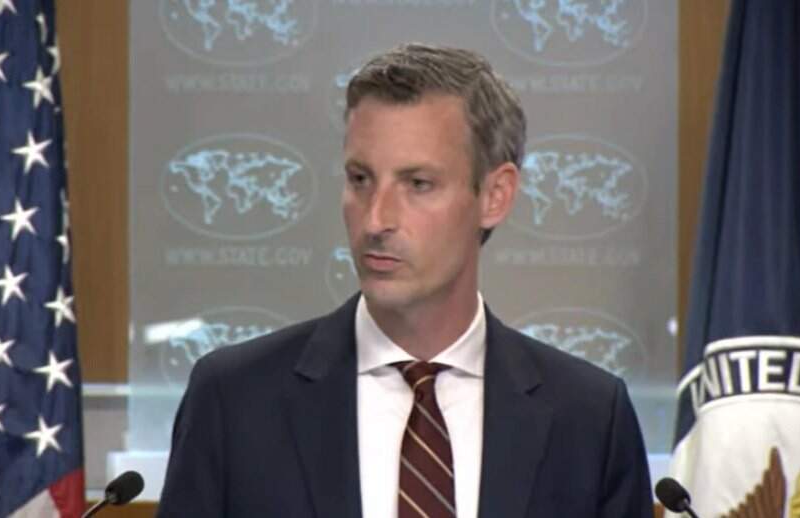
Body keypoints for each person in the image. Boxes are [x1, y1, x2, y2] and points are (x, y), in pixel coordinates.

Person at [157, 43, 653, 517]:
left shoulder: (590, 420)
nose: (376, 220)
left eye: (418, 184)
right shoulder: (233, 401)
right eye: (360, 179)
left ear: (495, 196)